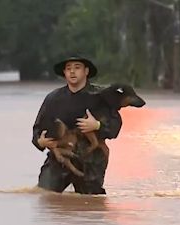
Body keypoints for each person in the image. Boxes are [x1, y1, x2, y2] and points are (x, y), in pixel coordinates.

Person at [32, 55, 122, 194]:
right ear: (64, 73)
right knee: (45, 195)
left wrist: (97, 125)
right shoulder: (53, 98)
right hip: (60, 155)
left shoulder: (101, 96)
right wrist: (41, 141)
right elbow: (38, 127)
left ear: (86, 71)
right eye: (68, 68)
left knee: (92, 201)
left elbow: (115, 125)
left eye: (77, 67)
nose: (72, 72)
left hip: (91, 157)